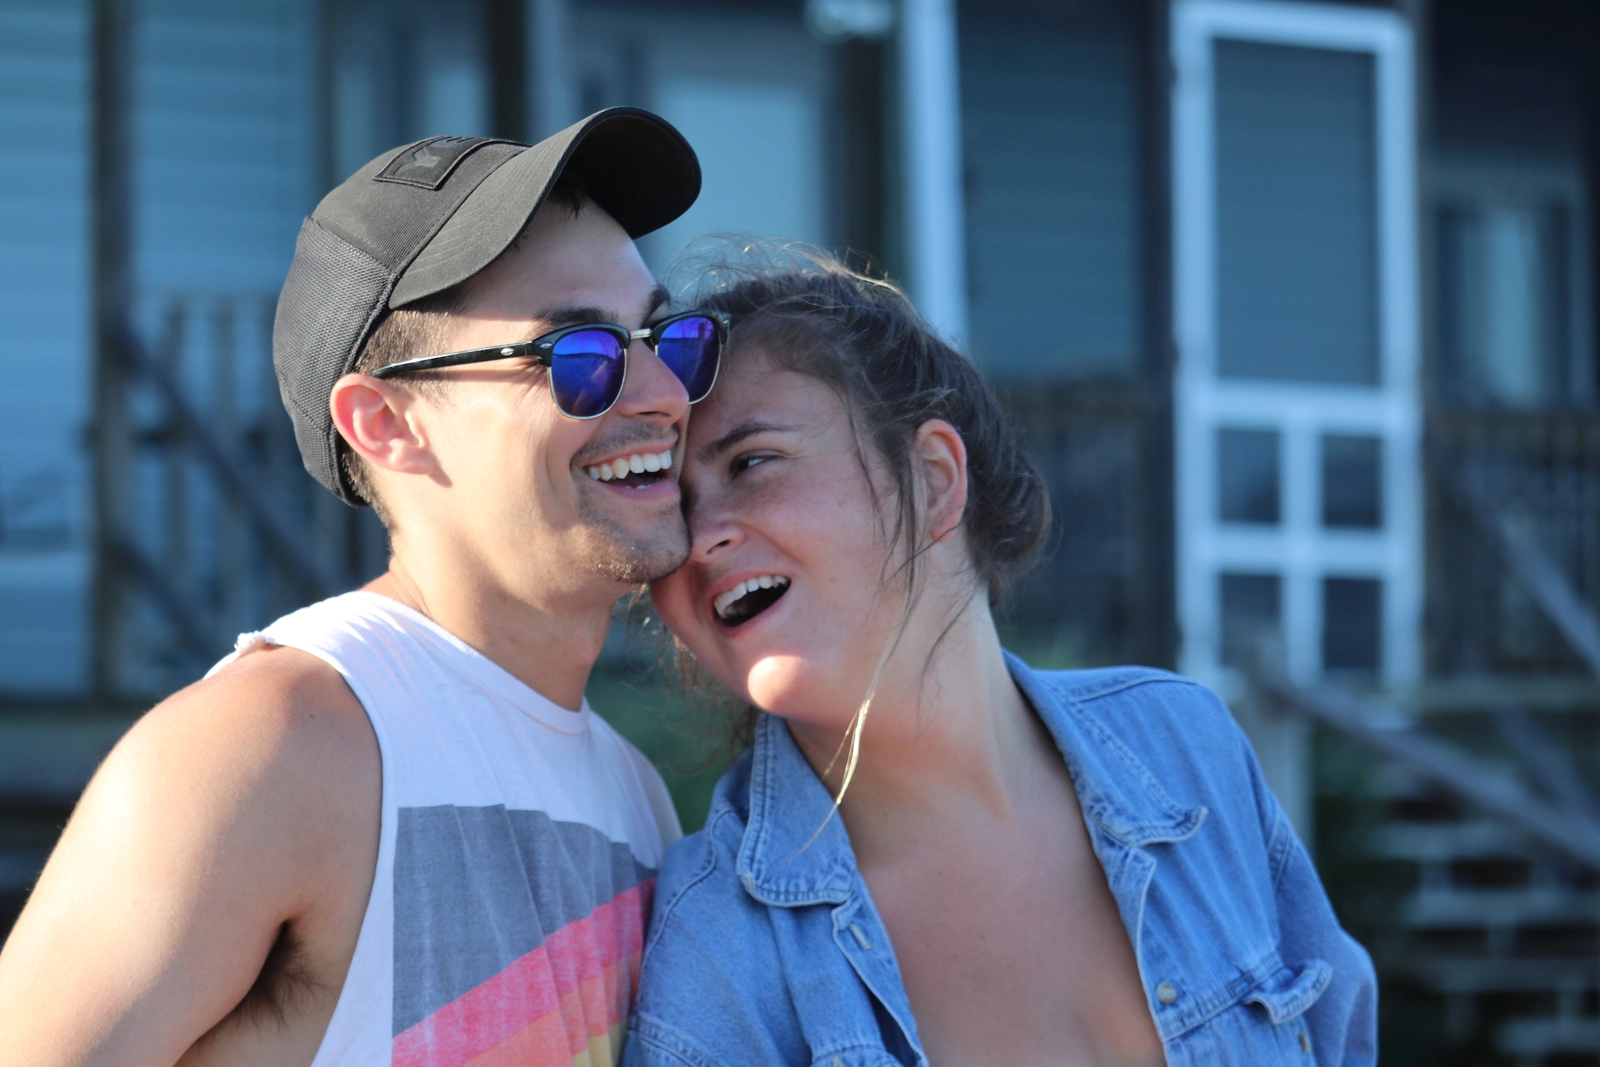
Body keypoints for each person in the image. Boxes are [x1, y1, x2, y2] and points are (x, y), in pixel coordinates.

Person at [0, 108, 723, 1067]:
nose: (664, 394)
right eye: (578, 357)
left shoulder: (640, 804)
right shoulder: (270, 748)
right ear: (386, 424)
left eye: (668, 338)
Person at [625, 255, 1378, 1067]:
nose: (699, 540)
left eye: (750, 463)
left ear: (933, 479)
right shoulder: (719, 956)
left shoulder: (1185, 748)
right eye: (676, 505)